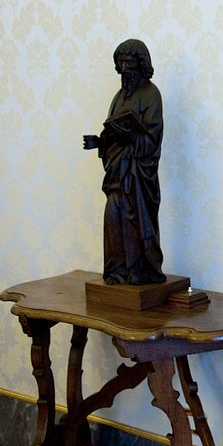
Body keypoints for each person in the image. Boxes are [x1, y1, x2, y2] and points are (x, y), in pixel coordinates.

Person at [83, 39, 166, 285]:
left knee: (135, 221)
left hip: (138, 177)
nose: (125, 67)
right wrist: (99, 142)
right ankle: (118, 272)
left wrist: (132, 135)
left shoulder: (151, 94)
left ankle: (140, 271)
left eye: (130, 62)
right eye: (121, 62)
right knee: (113, 216)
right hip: (117, 175)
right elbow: (112, 132)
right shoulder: (119, 97)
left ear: (141, 64)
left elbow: (152, 138)